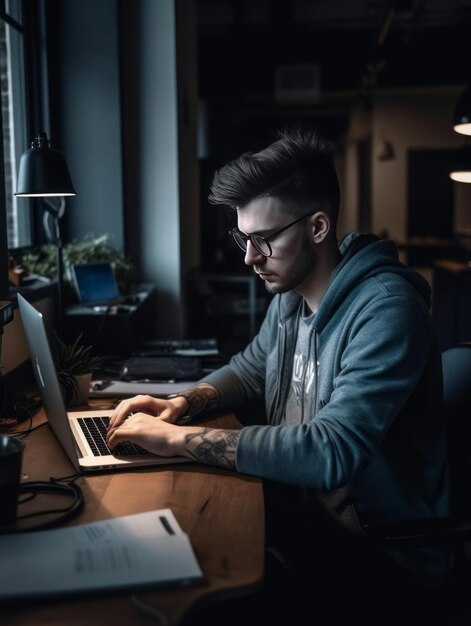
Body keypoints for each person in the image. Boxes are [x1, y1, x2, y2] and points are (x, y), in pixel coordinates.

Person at [106, 127, 450, 620]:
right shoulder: (291, 297)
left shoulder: (387, 311)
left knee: (197, 602)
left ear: (317, 227)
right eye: (243, 239)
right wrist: (182, 404)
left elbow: (332, 451)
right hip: (303, 519)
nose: (250, 258)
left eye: (263, 240)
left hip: (378, 553)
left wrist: (180, 440)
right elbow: (248, 370)